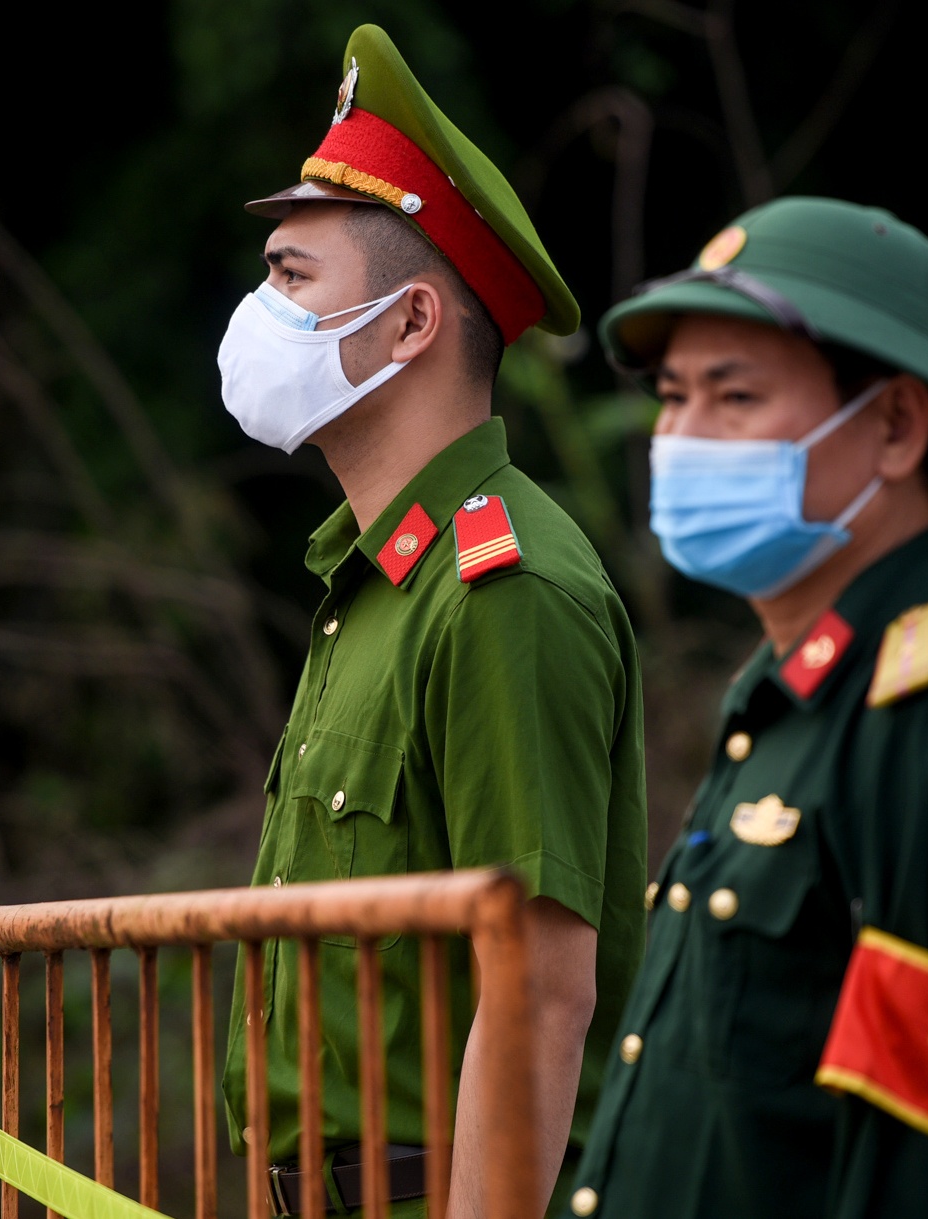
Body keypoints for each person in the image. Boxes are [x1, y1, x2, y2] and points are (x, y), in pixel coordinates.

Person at [562, 197, 928, 1218]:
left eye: (733, 396)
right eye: (672, 396)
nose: (679, 438)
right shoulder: (791, 694)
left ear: (895, 427)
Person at [213, 23, 647, 1219]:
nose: (259, 312)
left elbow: (540, 993)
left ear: (410, 325)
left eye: (292, 278)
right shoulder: (373, 586)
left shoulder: (502, 589)